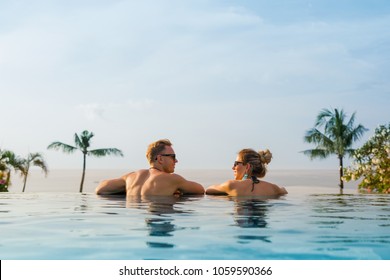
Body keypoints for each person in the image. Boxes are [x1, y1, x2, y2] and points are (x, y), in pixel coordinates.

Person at [95, 139, 204, 196]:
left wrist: (127, 189)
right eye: (173, 157)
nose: (176, 160)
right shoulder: (172, 179)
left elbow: (100, 189)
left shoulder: (130, 177)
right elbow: (201, 190)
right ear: (160, 159)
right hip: (160, 216)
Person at [206, 148, 287, 196]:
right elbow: (284, 190)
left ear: (247, 166)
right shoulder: (273, 188)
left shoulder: (232, 185)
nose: (233, 167)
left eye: (236, 163)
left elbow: (208, 190)